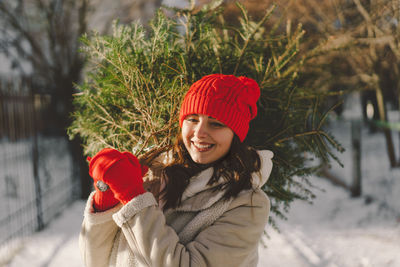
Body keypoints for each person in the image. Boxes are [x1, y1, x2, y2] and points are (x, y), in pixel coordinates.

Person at [79, 73, 274, 267]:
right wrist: (105, 203)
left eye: (216, 123)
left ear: (235, 134)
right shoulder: (152, 173)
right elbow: (94, 262)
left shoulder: (247, 204)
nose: (199, 133)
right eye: (192, 119)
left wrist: (133, 198)